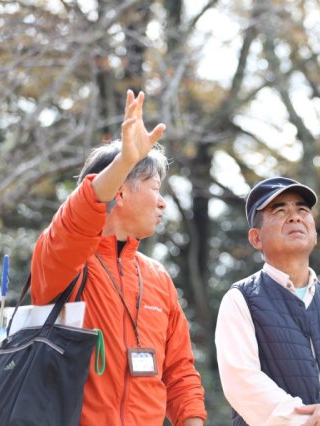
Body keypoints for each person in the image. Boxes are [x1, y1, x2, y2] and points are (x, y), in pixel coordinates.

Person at [30, 90, 207, 425]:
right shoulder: (65, 261)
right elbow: (77, 217)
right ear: (121, 192)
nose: (163, 202)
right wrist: (125, 160)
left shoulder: (157, 277)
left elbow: (180, 372)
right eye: (155, 188)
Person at [215, 177, 320, 425]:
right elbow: (242, 381)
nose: (295, 217)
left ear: (314, 231)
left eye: (302, 210)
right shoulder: (240, 300)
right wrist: (308, 422)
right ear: (256, 238)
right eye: (280, 210)